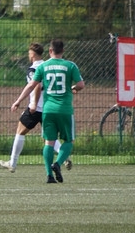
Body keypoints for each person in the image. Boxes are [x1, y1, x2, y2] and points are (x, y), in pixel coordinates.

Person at [12, 38, 84, 184]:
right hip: (64, 109)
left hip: (48, 109)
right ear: (63, 51)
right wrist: (74, 88)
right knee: (68, 140)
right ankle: (57, 164)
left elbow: (32, 86)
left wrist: (18, 101)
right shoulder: (70, 65)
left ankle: (49, 175)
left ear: (50, 50)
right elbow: (81, 85)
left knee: (49, 142)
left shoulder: (43, 67)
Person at [0, 43, 63, 173]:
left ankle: (12, 163)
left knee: (20, 131)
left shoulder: (33, 69)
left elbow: (36, 85)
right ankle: (63, 156)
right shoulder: (48, 66)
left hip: (36, 107)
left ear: (32, 54)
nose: (28, 55)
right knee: (49, 137)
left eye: (29, 53)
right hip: (50, 107)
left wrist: (31, 102)